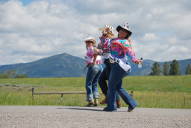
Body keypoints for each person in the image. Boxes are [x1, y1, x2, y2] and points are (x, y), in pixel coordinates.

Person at [103, 23, 142, 112]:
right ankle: (132, 103)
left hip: (119, 65)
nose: (122, 32)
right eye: (121, 30)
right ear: (119, 30)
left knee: (111, 85)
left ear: (127, 34)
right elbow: (104, 45)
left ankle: (112, 106)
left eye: (125, 31)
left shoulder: (124, 42)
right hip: (113, 65)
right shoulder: (113, 39)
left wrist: (135, 59)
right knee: (118, 87)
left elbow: (130, 52)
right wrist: (105, 34)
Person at [98, 25, 121, 108]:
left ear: (108, 32)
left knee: (107, 81)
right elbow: (101, 49)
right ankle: (114, 100)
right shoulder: (106, 40)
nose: (102, 33)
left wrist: (103, 39)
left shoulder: (110, 40)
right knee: (106, 81)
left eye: (104, 32)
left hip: (110, 62)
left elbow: (105, 49)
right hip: (108, 62)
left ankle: (111, 99)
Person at [84, 37, 103, 107]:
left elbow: (95, 54)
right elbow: (99, 53)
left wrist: (93, 62)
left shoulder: (90, 48)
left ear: (93, 43)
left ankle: (90, 101)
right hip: (100, 67)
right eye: (87, 42)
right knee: (94, 83)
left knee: (88, 84)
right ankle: (96, 100)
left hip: (93, 66)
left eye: (89, 42)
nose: (88, 43)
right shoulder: (97, 48)